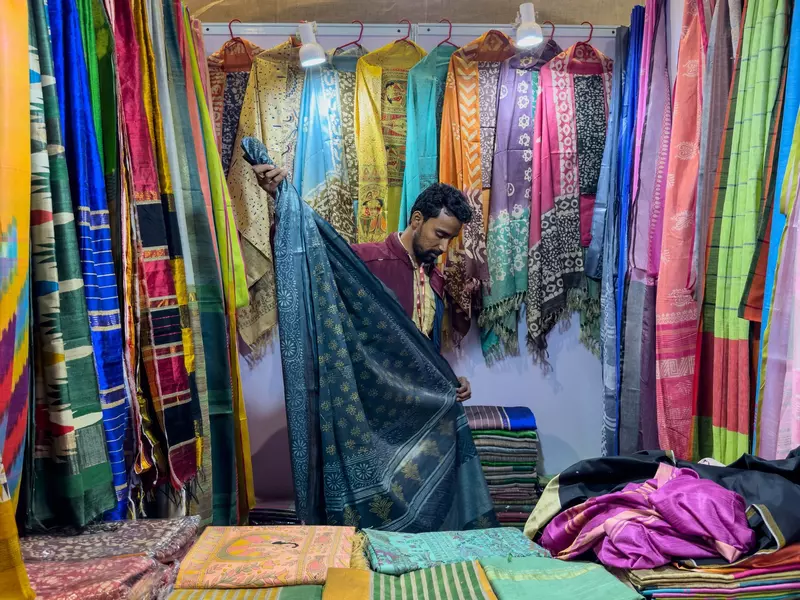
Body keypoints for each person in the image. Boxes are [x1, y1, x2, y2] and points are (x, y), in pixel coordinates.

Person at [253, 164, 473, 401]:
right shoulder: (365, 262)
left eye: (450, 239)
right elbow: (305, 257)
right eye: (440, 235)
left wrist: (450, 379)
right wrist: (282, 199)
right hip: (371, 405)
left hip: (419, 402)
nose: (444, 248)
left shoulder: (435, 280)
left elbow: (426, 348)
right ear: (417, 220)